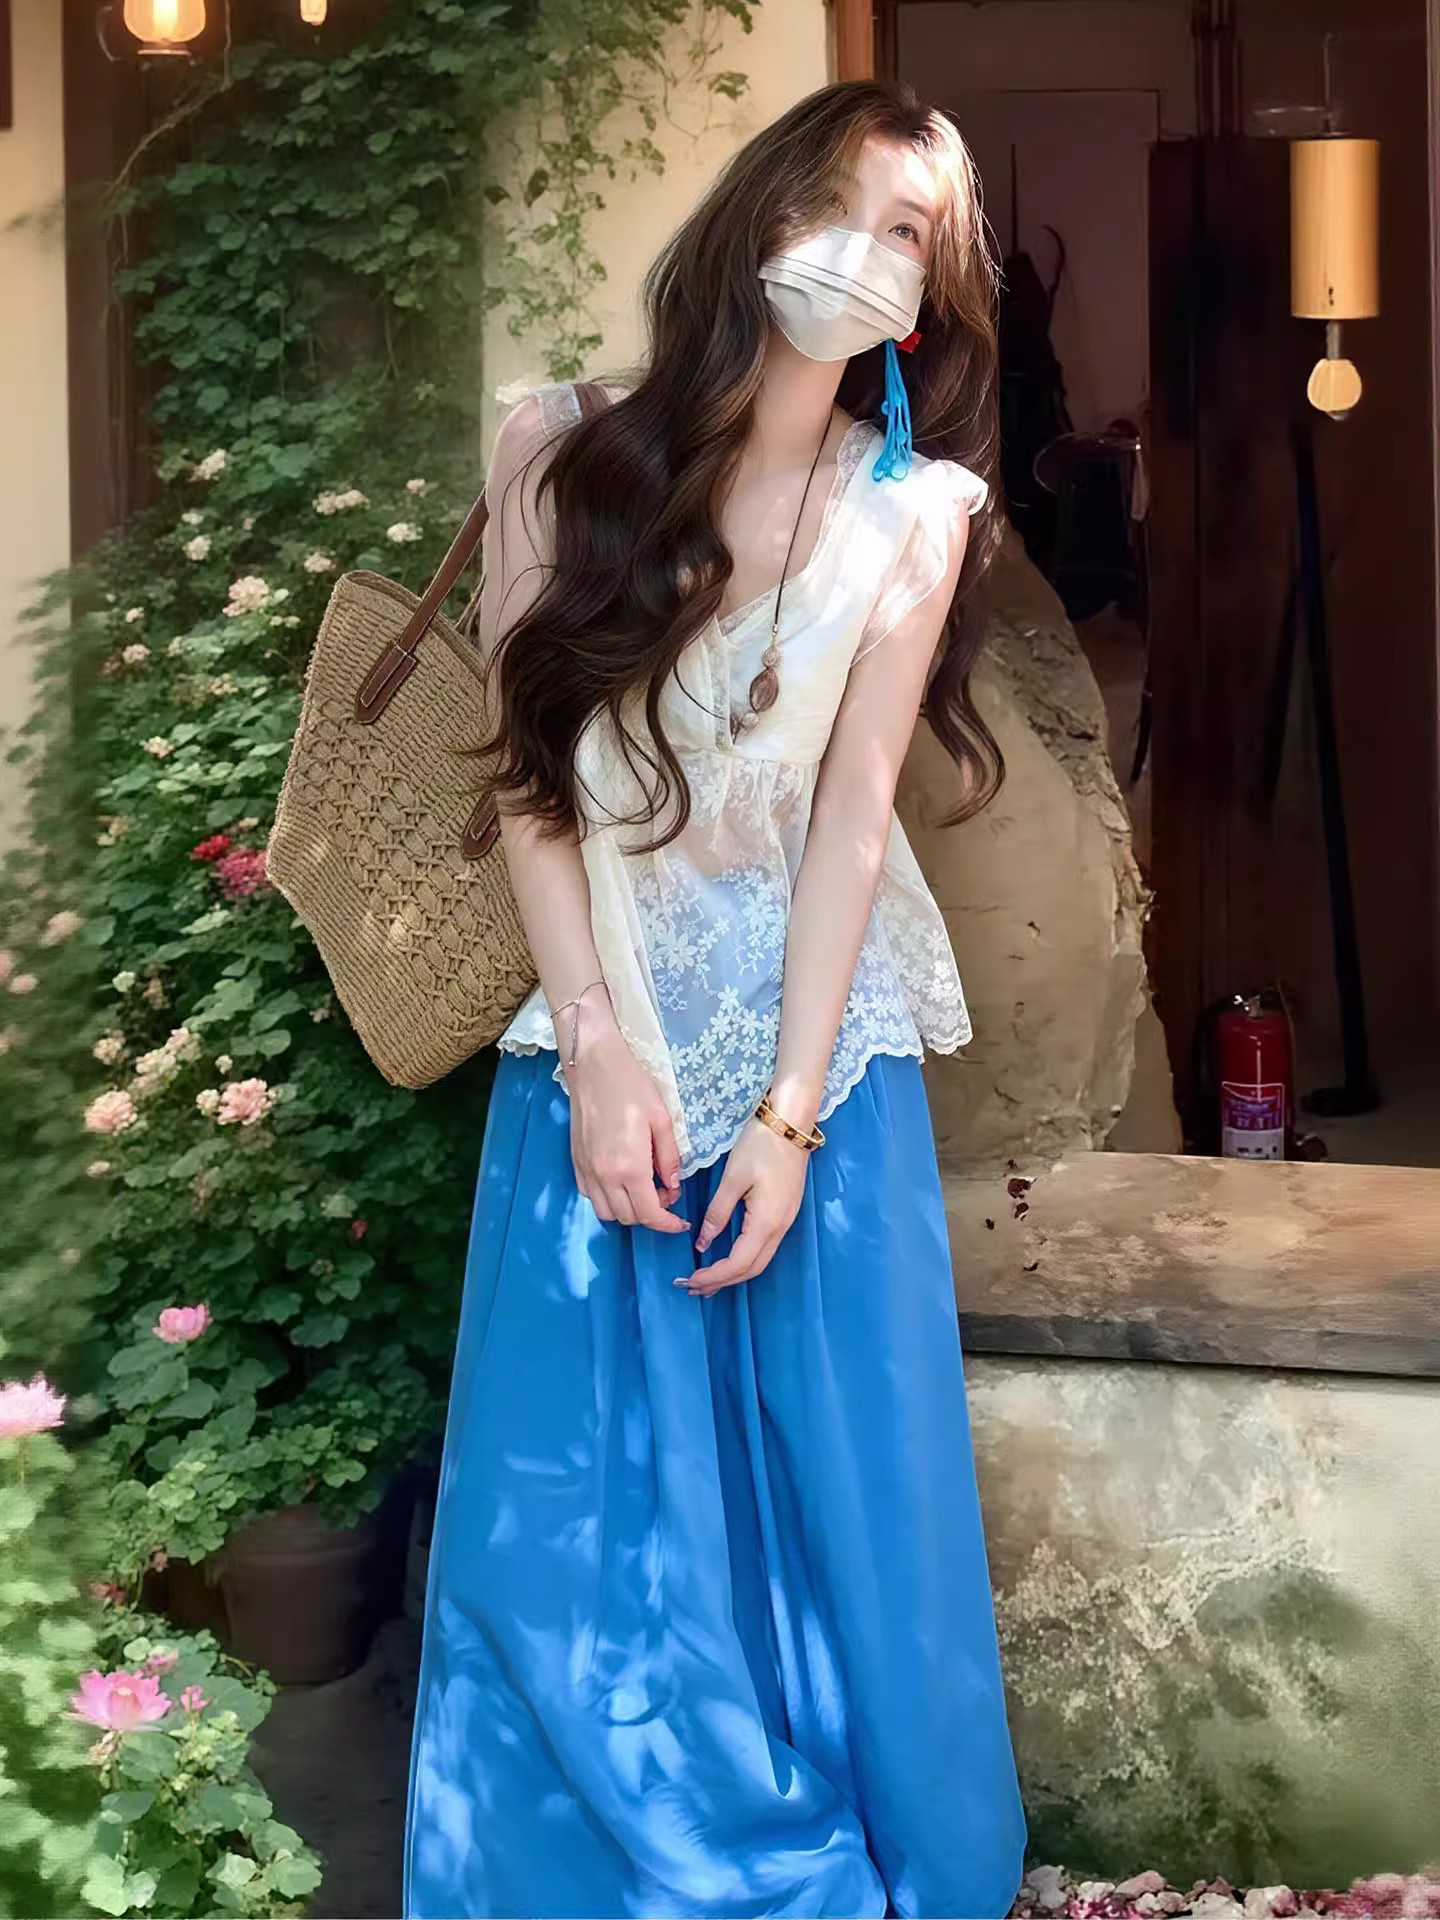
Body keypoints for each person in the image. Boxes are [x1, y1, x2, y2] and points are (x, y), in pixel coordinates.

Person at [404, 78, 1028, 1920]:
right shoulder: (559, 448)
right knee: (582, 1516)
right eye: (836, 207)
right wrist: (601, 1047)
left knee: (843, 1497)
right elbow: (529, 785)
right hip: (599, 1042)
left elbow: (851, 824)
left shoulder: (918, 513)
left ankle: (866, 1851)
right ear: (760, 221)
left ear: (934, 294)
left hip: (813, 1062)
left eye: (907, 233)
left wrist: (788, 1113)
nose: (862, 253)